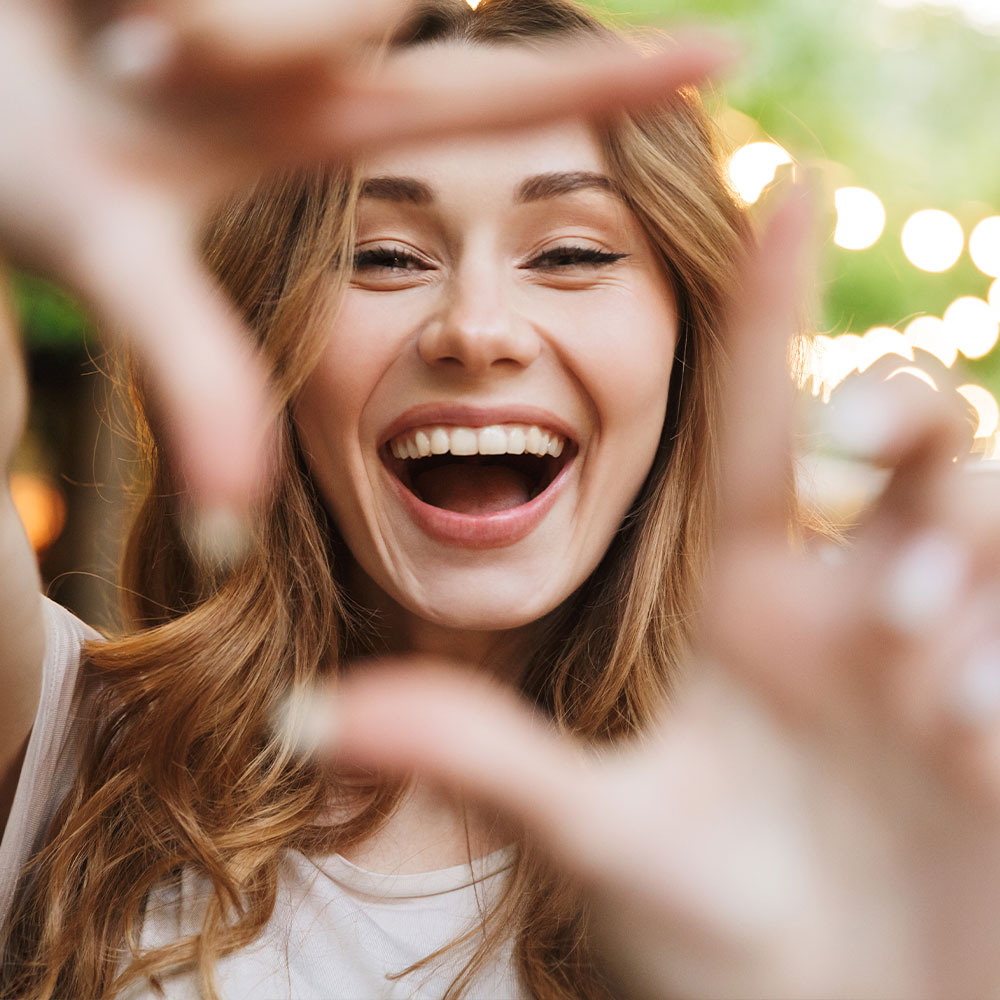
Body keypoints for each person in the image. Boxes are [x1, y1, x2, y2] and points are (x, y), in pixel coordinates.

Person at [3, 2, 994, 1000]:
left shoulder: (850, 824)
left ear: (686, 343)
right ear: (273, 341)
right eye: (383, 255)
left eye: (571, 253)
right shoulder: (72, 746)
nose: (474, 329)